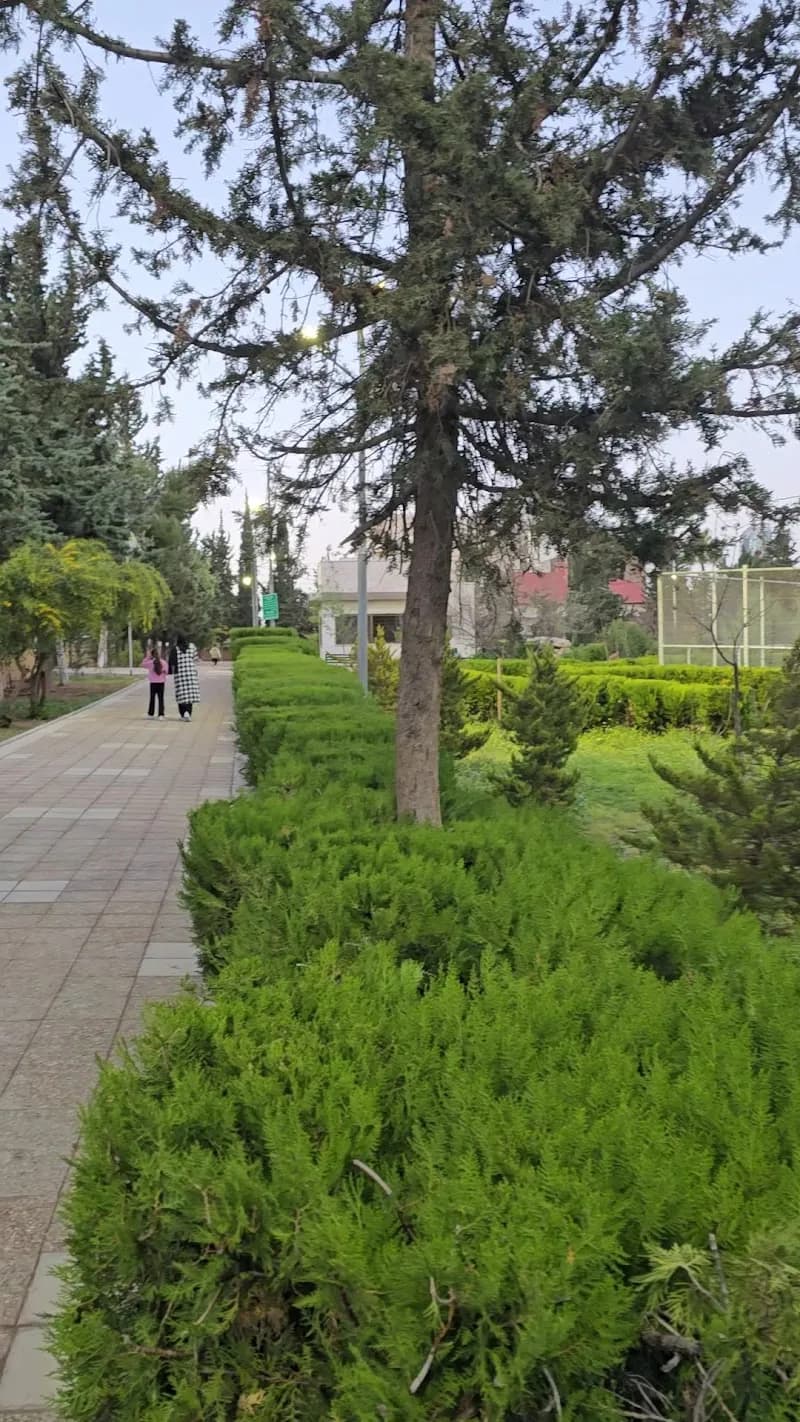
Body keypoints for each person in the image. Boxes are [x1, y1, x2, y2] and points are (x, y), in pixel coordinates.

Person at [170, 633, 200, 720]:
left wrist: (172, 672)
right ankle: (188, 713)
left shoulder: (175, 649)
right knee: (189, 694)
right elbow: (195, 659)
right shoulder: (192, 646)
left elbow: (172, 663)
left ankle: (183, 714)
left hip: (180, 674)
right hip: (191, 673)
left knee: (181, 693)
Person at [142, 644, 167, 718]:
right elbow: (166, 672)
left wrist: (148, 657)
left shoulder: (150, 663)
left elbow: (143, 664)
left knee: (152, 698)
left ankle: (151, 714)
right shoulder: (163, 662)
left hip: (153, 683)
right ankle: (161, 714)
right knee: (161, 698)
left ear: (152, 655)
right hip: (161, 683)